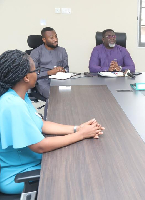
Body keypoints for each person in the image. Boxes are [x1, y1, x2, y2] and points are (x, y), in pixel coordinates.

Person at [0, 50, 105, 194]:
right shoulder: (13, 105)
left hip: (33, 162)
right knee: (82, 172)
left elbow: (41, 123)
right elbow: (40, 146)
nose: (37, 73)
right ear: (25, 77)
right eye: (35, 70)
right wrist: (81, 135)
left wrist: (77, 128)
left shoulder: (19, 96)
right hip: (20, 175)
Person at [30, 27, 68, 99]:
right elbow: (32, 74)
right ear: (44, 40)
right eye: (52, 38)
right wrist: (49, 72)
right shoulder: (36, 52)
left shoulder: (62, 51)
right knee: (56, 96)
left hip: (60, 80)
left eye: (56, 36)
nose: (55, 40)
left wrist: (63, 70)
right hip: (43, 81)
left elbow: (66, 68)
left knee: (71, 93)